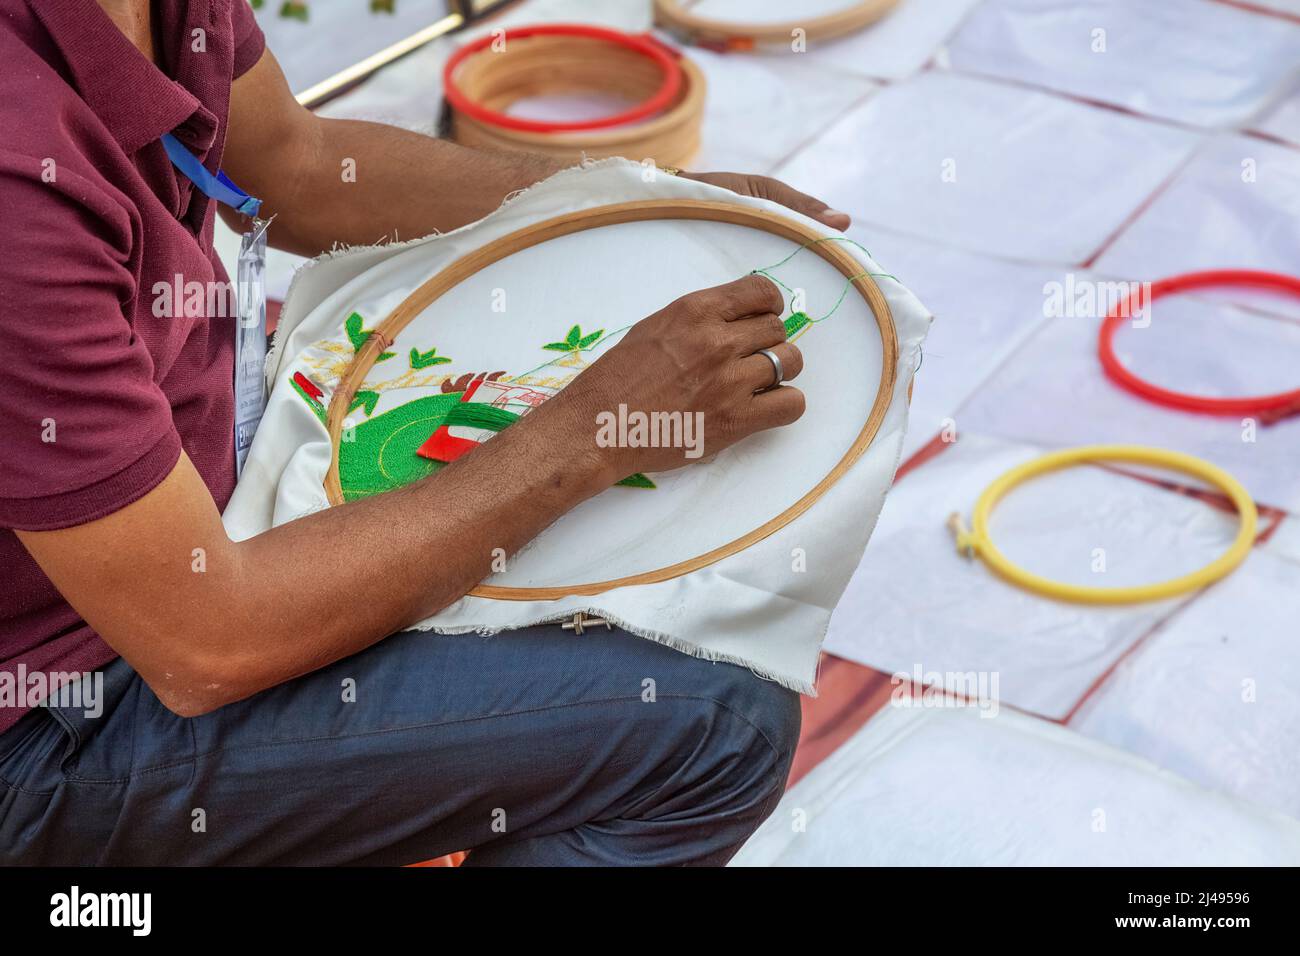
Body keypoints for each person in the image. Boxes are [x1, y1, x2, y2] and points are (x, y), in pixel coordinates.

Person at [0, 0, 850, 865]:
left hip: (181, 529)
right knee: (713, 727)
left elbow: (296, 166)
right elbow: (209, 641)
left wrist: (636, 201)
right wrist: (598, 429)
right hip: (55, 717)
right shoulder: (17, 188)